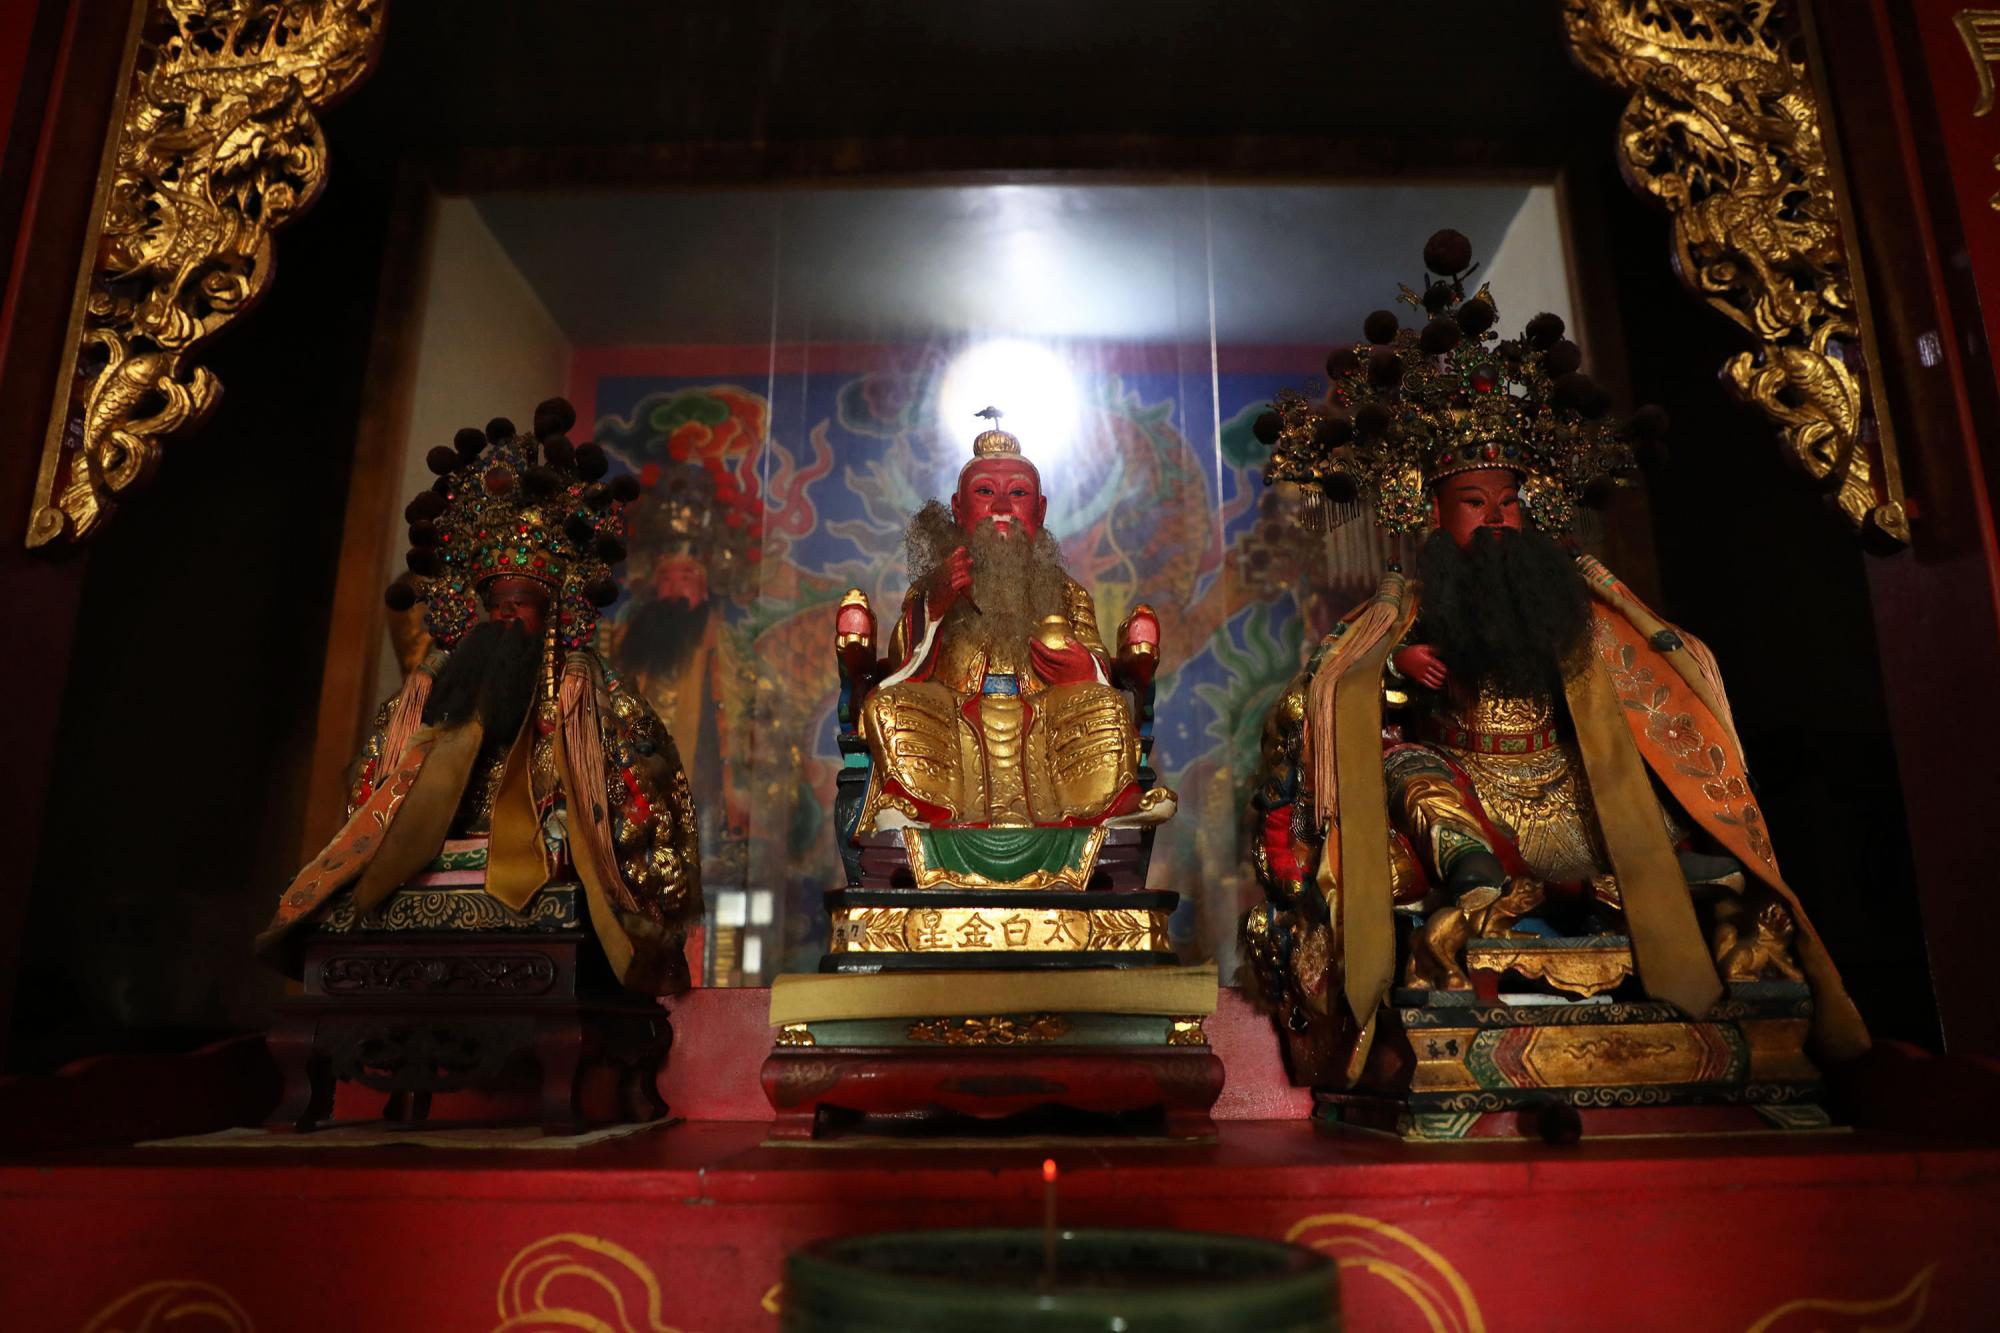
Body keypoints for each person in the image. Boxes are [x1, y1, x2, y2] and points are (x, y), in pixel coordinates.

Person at [1242, 232, 1867, 1077]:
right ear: (1433, 513)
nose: (1496, 517)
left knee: (1630, 774)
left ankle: (1668, 874)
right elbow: (1328, 685)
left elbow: (1647, 671)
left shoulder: (1566, 596)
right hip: (1464, 779)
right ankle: (1469, 877)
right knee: (1409, 772)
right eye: (1473, 502)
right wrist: (1393, 670)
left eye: (1508, 501)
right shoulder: (1407, 603)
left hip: (1562, 776)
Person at [259, 399, 701, 995]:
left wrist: (569, 819)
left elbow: (633, 799)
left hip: (543, 863)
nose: (506, 616)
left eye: (521, 603)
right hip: (443, 860)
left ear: (552, 611)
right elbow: (380, 789)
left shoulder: (583, 696)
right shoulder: (440, 691)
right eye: (496, 605)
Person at [837, 422, 1172, 831]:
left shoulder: (1066, 592)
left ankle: (1112, 805)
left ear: (1040, 510)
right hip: (956, 710)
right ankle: (913, 806)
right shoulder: (935, 586)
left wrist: (1085, 667)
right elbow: (903, 663)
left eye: (1017, 494)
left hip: (1046, 713)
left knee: (1106, 705)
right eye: (984, 492)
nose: (1001, 506)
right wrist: (935, 605)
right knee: (889, 706)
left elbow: (1094, 652)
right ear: (958, 509)